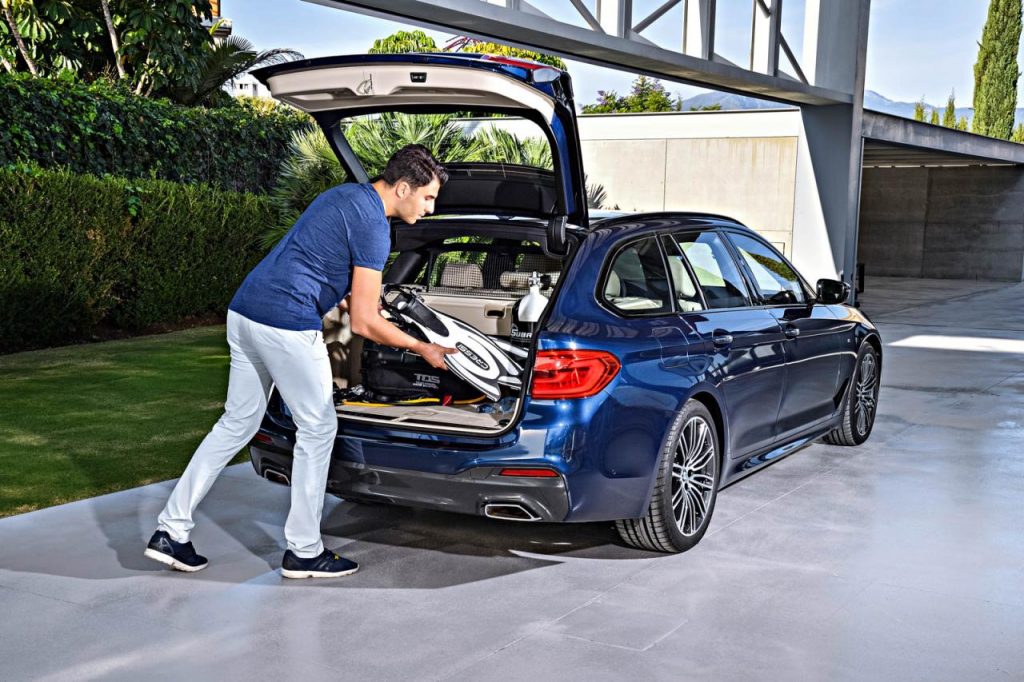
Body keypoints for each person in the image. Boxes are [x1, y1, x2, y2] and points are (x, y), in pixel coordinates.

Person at [144, 144, 455, 579]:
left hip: (245, 311)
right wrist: (422, 348)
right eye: (428, 197)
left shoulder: (344, 196)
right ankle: (305, 551)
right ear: (403, 188)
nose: (430, 207)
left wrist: (345, 297)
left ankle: (170, 530)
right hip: (287, 322)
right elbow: (364, 322)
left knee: (236, 422)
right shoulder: (375, 227)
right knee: (318, 427)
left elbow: (318, 261)